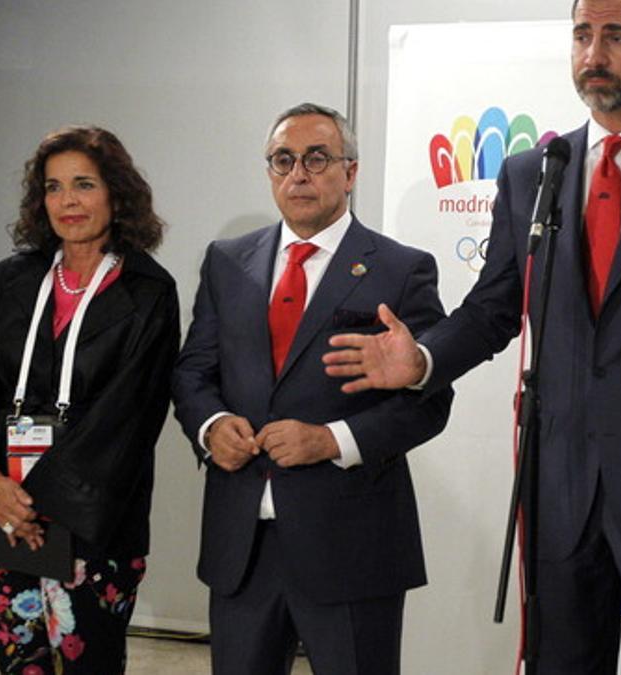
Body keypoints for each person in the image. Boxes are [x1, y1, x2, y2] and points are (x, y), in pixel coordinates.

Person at [323, 1, 621, 672]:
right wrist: (425, 359)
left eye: (615, 36)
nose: (593, 54)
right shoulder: (534, 174)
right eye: (583, 35)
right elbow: (496, 306)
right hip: (559, 486)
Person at [171, 103, 451, 675]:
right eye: (282, 160)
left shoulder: (401, 269)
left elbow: (428, 402)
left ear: (350, 172)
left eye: (317, 158)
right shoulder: (227, 262)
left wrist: (331, 440)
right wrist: (210, 427)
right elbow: (193, 373)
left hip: (351, 544)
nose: (298, 173)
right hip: (242, 545)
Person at [0, 125, 179, 673]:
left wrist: (35, 504)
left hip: (92, 519)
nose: (67, 201)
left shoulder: (148, 290)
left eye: (84, 185)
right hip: (0, 507)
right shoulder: (11, 280)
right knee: (19, 661)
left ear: (116, 194)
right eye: (53, 187)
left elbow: (129, 417)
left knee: (87, 663)